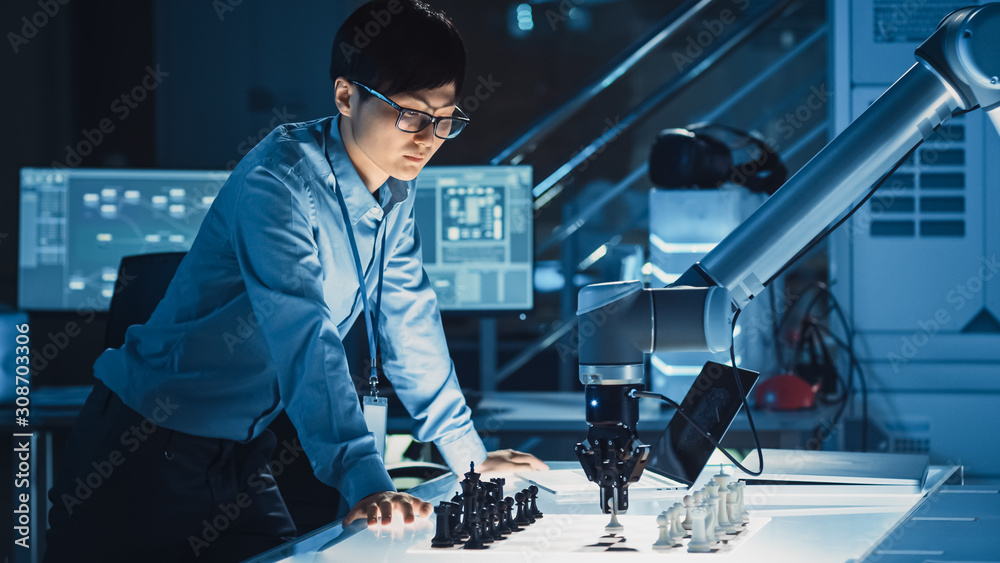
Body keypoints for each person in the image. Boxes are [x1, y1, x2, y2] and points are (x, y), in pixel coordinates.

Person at [44, 1, 546, 561]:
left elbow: (411, 327)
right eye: (409, 113)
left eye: (444, 116)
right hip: (142, 450)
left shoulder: (396, 192)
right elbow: (305, 337)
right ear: (345, 96)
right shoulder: (278, 183)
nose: (428, 136)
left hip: (235, 451)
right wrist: (365, 479)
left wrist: (470, 459)